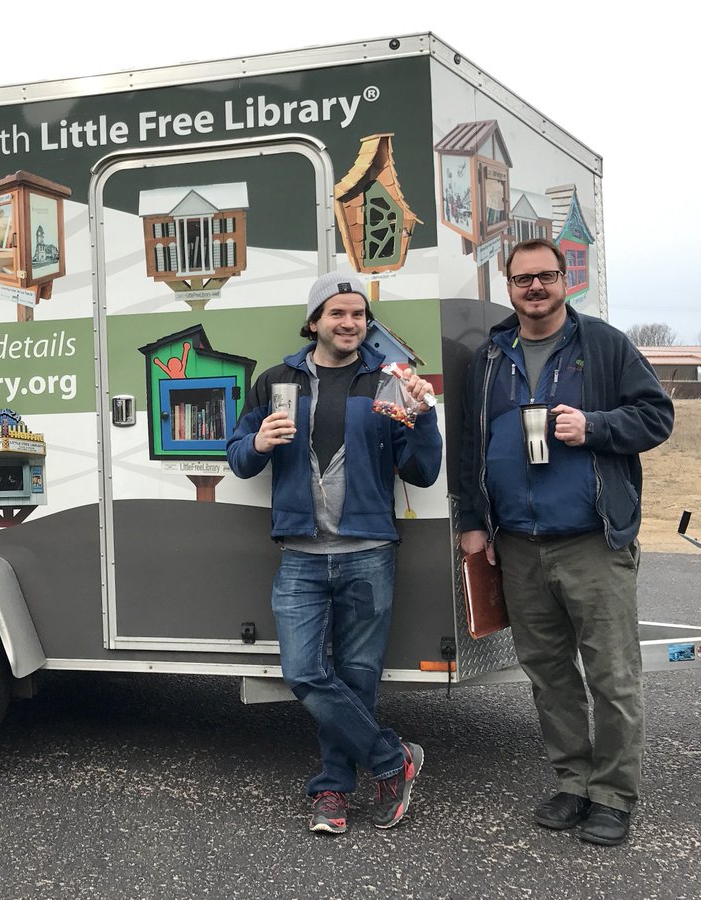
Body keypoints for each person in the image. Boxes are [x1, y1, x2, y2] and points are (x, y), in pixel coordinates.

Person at [458, 237, 673, 846]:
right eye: (523, 279)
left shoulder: (602, 344)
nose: (535, 288)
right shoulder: (491, 357)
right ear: (509, 286)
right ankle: (572, 782)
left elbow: (657, 416)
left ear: (564, 281)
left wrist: (596, 426)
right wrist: (473, 521)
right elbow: (472, 448)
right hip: (518, 545)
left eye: (545, 277)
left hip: (591, 541)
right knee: (549, 675)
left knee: (612, 675)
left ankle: (612, 795)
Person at [227, 271, 441, 834]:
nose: (350, 324)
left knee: (357, 676)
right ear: (315, 320)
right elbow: (238, 456)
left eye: (358, 315)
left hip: (368, 550)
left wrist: (424, 418)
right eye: (338, 313)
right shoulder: (279, 380)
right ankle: (394, 762)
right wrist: (256, 443)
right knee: (302, 671)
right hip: (301, 551)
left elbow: (421, 471)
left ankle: (332, 792)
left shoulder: (387, 383)